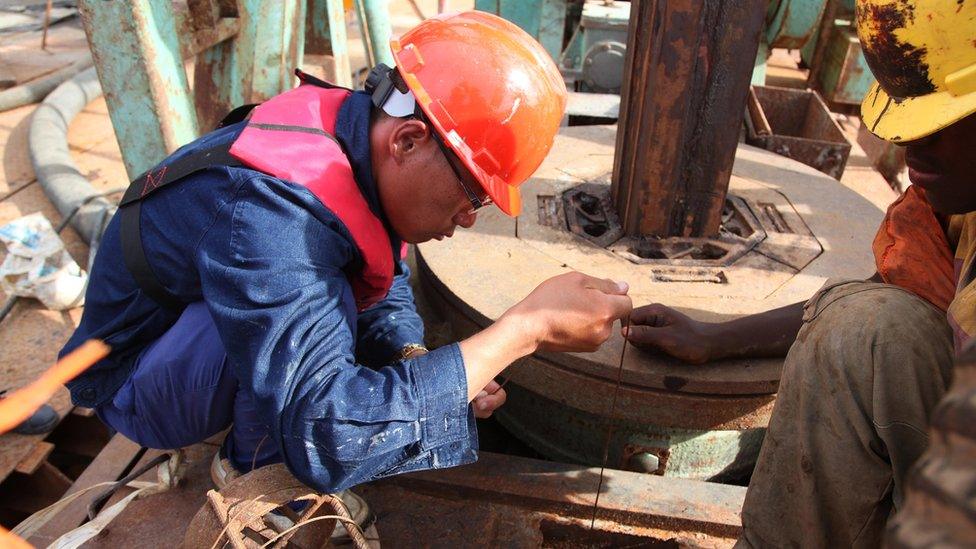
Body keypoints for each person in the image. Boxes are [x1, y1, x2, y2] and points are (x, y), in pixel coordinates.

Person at [58, 9, 632, 507]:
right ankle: (248, 475)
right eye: (473, 192)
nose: (469, 217)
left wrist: (412, 354)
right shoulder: (270, 218)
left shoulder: (354, 140)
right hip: (132, 382)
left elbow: (383, 274)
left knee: (337, 297)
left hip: (189, 326)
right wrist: (521, 332)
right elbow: (326, 439)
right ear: (407, 141)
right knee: (323, 320)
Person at [623, 0, 976, 546]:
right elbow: (899, 292)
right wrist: (718, 338)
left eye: (941, 121)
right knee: (865, 325)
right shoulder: (960, 204)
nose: (908, 145)